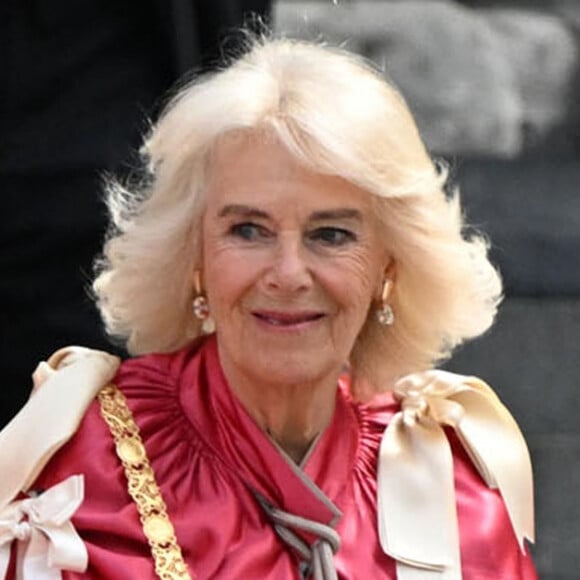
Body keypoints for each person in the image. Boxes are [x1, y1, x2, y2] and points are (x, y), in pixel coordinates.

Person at [0, 36, 537, 579]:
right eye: (248, 230)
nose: (287, 274)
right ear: (194, 257)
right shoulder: (86, 472)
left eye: (330, 234)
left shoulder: (448, 480)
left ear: (389, 269)